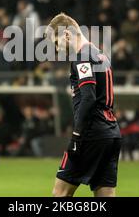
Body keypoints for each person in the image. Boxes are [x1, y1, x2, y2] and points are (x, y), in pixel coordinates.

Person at [46, 13, 121, 197]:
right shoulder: (100, 55)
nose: (57, 48)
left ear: (66, 35)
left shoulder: (82, 56)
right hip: (111, 133)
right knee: (106, 196)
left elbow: (88, 97)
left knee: (60, 194)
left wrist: (77, 135)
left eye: (56, 42)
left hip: (91, 133)